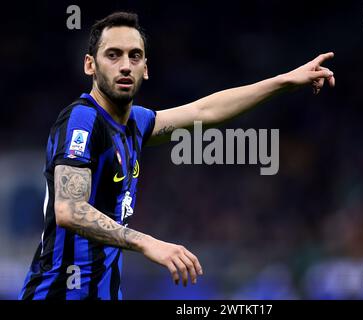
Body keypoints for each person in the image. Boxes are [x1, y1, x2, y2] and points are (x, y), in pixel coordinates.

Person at [19, 11, 335, 300]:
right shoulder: (82, 119)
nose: (125, 65)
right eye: (113, 55)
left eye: (135, 56)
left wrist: (282, 82)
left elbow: (205, 110)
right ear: (90, 65)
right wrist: (147, 242)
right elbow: (69, 209)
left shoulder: (135, 124)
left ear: (146, 69)